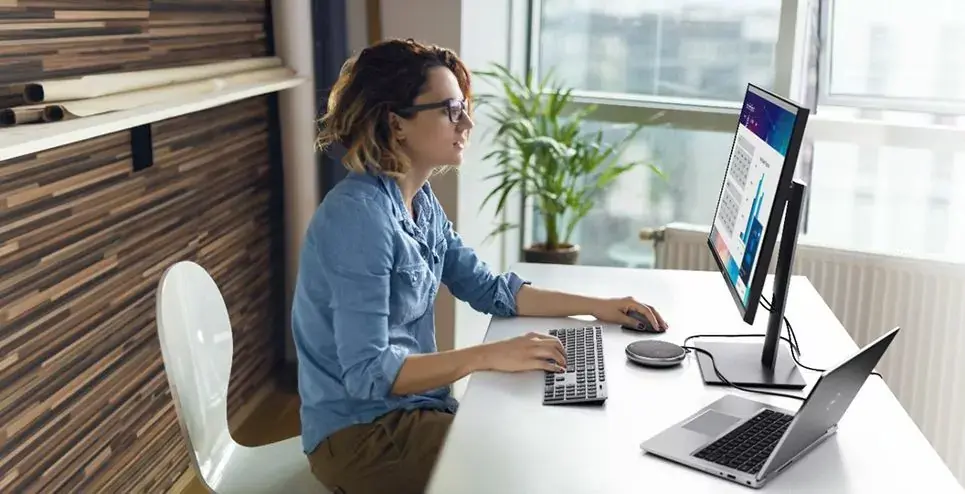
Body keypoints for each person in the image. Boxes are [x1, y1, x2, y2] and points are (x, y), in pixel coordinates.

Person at [291, 38, 669, 494]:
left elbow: (492, 290)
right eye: (451, 110)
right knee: (526, 467)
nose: (467, 122)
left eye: (464, 107)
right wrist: (487, 357)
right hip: (360, 438)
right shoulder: (358, 218)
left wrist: (599, 307)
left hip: (416, 411)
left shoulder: (419, 203)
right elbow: (370, 373)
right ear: (397, 124)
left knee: (534, 441)